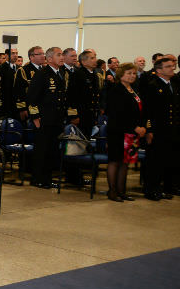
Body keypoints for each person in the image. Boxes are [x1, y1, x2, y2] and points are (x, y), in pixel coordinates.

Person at [26, 47, 69, 189]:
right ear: (49, 59)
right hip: (43, 119)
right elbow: (32, 97)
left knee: (52, 150)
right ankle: (38, 178)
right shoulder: (42, 74)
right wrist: (35, 117)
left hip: (56, 119)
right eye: (59, 55)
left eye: (62, 54)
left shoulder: (60, 73)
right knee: (42, 151)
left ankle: (48, 178)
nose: (62, 57)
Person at [104, 63, 147, 202]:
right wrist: (135, 127)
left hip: (131, 133)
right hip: (118, 131)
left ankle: (122, 191)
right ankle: (112, 191)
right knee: (115, 161)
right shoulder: (116, 90)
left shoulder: (133, 90)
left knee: (125, 162)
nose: (132, 76)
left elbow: (138, 111)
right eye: (128, 73)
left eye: (134, 73)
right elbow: (117, 114)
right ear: (121, 75)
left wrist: (142, 126)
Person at [140, 56, 178, 201]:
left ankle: (166, 187)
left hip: (172, 129)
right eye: (168, 66)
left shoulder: (173, 84)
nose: (172, 68)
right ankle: (151, 189)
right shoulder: (152, 85)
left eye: (172, 65)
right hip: (157, 130)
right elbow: (147, 111)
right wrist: (148, 130)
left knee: (169, 159)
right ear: (159, 70)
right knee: (155, 161)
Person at [68, 49, 104, 138]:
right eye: (92, 58)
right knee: (79, 141)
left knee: (87, 139)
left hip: (90, 114)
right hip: (80, 115)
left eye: (95, 57)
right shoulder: (78, 74)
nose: (95, 60)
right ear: (83, 62)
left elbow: (95, 95)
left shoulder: (94, 74)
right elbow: (71, 96)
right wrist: (73, 116)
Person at [14, 46, 45, 122]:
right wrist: (22, 109)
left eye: (43, 54)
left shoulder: (46, 69)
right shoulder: (24, 70)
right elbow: (19, 90)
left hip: (44, 107)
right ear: (31, 57)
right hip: (30, 107)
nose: (43, 56)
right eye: (40, 54)